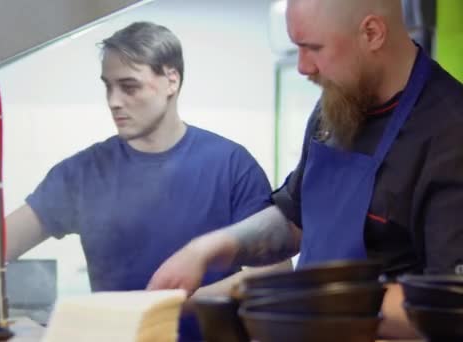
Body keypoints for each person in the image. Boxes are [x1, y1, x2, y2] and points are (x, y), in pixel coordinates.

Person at [0, 22, 274, 341]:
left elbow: (274, 273)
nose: (113, 101)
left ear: (171, 80)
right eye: (107, 86)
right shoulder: (84, 172)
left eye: (129, 86)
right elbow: (3, 241)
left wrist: (180, 303)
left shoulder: (230, 166)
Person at [147, 0, 463, 339]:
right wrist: (209, 249)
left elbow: (450, 306)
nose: (301, 66)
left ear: (372, 33)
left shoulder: (450, 133)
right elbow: (296, 218)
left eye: (313, 48)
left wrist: (315, 301)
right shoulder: (339, 102)